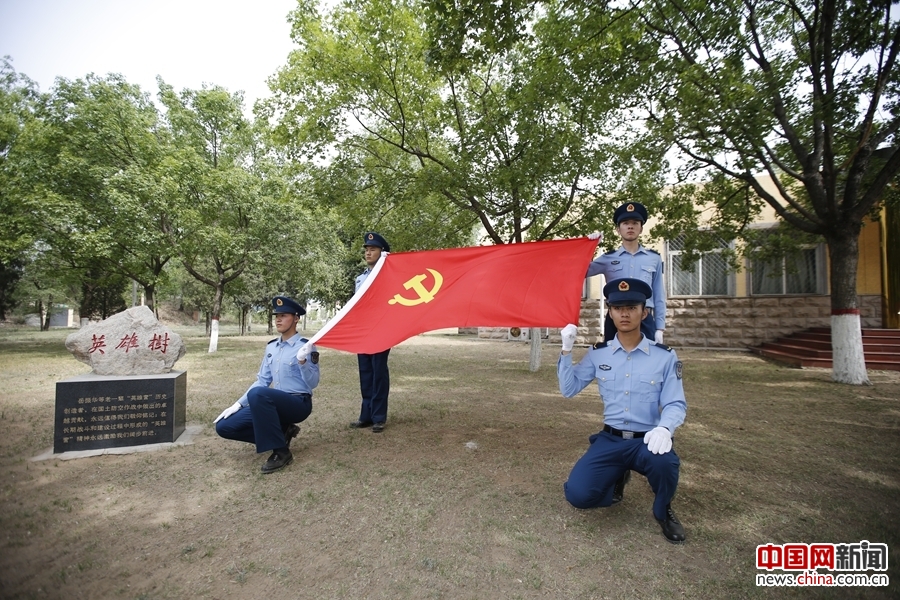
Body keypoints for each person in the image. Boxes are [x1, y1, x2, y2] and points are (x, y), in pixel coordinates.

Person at [557, 278, 687, 544]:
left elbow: (675, 403)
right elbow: (568, 389)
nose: (624, 313)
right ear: (610, 311)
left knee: (665, 464)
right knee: (578, 496)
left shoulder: (664, 357)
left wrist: (665, 427)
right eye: (617, 308)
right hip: (611, 439)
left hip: (647, 440)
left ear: (644, 311)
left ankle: (663, 510)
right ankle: (617, 475)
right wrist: (566, 349)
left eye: (631, 307)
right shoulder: (598, 354)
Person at [214, 296, 319, 473]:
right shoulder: (271, 347)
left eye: (284, 315)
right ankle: (281, 435)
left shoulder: (306, 347)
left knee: (259, 394)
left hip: (298, 403)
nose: (278, 319)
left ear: (296, 318)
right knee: (224, 427)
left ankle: (282, 452)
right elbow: (262, 380)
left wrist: (303, 362)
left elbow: (313, 383)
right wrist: (237, 404)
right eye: (276, 315)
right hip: (272, 404)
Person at [587, 202, 666, 343]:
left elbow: (659, 294)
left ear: (641, 228)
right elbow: (582, 272)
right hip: (616, 317)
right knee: (613, 359)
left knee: (646, 362)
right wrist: (589, 248)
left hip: (643, 316)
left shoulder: (653, 258)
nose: (630, 226)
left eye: (635, 223)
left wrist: (660, 327)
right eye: (625, 223)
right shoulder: (608, 258)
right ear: (618, 229)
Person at [349, 231, 392, 433]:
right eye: (366, 249)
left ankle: (379, 416)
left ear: (382, 252)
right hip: (363, 331)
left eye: (372, 249)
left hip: (381, 329)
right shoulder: (359, 279)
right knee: (365, 372)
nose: (368, 253)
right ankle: (365, 415)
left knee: (378, 372)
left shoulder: (388, 276)